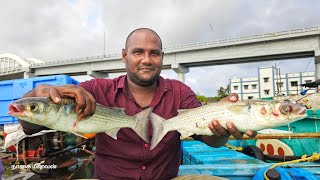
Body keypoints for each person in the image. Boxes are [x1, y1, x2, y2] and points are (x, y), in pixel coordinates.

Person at [19, 28, 257, 179]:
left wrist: (223, 131)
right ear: (125, 56)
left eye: (154, 53)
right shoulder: (95, 90)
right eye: (138, 52)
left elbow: (210, 140)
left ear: (162, 57)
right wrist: (37, 94)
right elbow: (31, 127)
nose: (146, 60)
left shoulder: (180, 92)